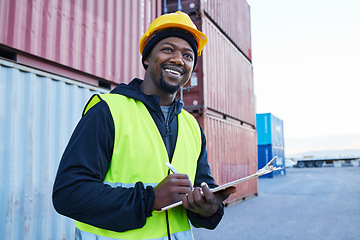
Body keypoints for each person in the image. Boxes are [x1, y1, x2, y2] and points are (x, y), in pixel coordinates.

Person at [52, 11, 236, 240]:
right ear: (148, 58)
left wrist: (208, 209)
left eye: (188, 56)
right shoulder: (108, 110)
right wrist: (150, 199)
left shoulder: (192, 126)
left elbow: (202, 189)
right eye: (168, 49)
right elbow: (69, 194)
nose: (179, 60)